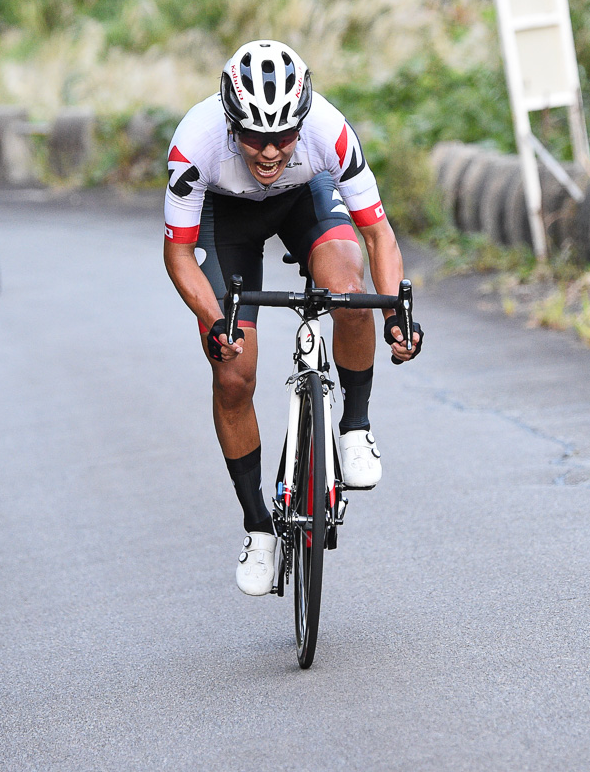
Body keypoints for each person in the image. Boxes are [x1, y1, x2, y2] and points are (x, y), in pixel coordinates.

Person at [162, 40, 424, 597]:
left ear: (302, 122)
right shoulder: (195, 141)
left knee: (347, 291)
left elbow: (378, 234)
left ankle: (355, 426)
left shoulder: (329, 130)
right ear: (231, 122)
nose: (269, 151)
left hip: (304, 200)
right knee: (233, 372)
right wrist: (215, 322)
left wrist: (397, 314)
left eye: (283, 136)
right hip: (224, 218)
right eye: (254, 135)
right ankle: (259, 527)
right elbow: (178, 254)